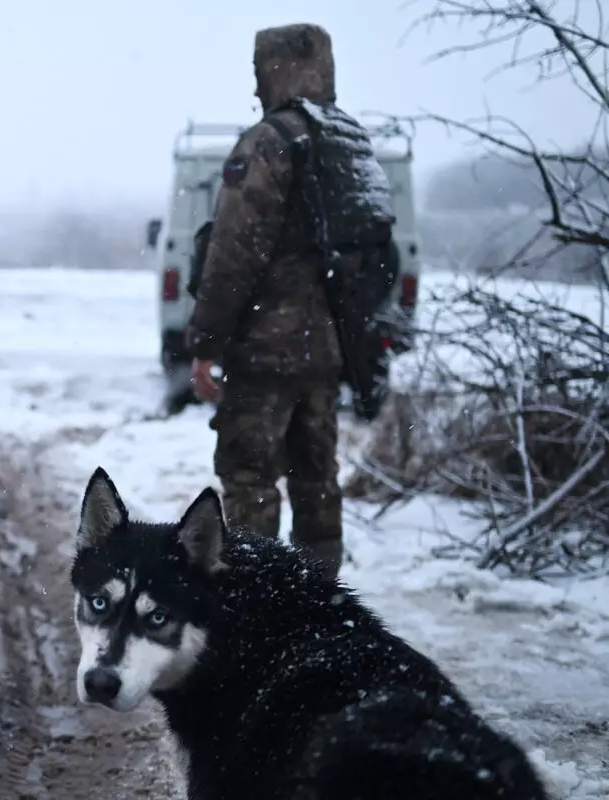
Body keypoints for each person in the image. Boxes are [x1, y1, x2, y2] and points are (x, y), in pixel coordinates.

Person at [185, 23, 396, 581]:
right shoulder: (348, 142)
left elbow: (232, 253)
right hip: (326, 353)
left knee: (249, 479)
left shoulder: (268, 142)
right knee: (317, 480)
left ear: (276, 70)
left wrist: (205, 344)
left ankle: (259, 605)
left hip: (265, 352)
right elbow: (377, 256)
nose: (256, 86)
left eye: (260, 72)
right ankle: (319, 601)